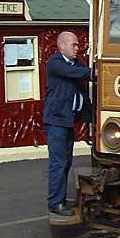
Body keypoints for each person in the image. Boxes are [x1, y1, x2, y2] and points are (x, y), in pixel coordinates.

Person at [43, 31, 93, 216]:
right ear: (62, 46)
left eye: (78, 45)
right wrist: (95, 71)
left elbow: (85, 74)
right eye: (74, 45)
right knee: (58, 163)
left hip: (68, 120)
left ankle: (60, 198)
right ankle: (55, 203)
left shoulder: (76, 63)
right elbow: (78, 73)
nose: (77, 48)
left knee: (66, 162)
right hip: (56, 120)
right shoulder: (55, 63)